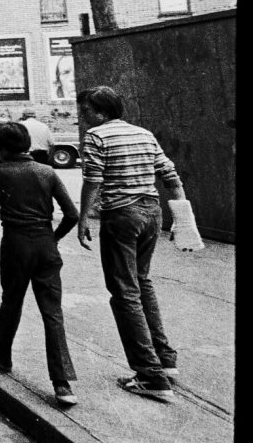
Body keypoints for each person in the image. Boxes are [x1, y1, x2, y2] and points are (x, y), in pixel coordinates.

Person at [76, 86, 185, 404]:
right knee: (142, 282)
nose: (83, 117)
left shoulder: (96, 136)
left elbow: (93, 179)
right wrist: (182, 218)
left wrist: (83, 219)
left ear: (99, 111)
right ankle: (165, 358)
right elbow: (170, 174)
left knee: (124, 292)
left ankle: (150, 375)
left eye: (84, 111)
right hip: (152, 213)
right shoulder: (143, 133)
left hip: (121, 216)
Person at [0, 122, 80, 407]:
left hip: (15, 245)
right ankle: (62, 383)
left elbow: (8, 168)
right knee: (52, 312)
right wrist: (54, 238)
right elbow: (71, 214)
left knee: (11, 300)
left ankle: (1, 351)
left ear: (3, 148)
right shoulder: (47, 172)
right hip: (46, 246)